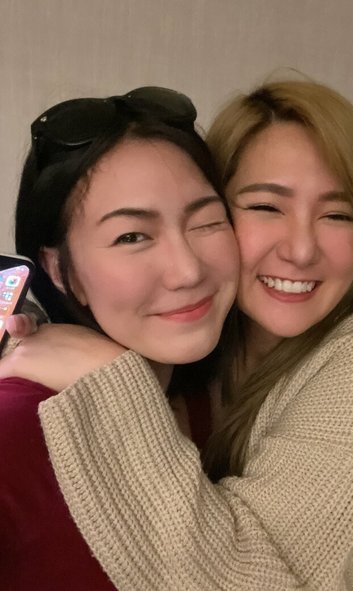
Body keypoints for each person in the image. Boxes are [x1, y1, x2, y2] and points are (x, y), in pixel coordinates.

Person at [1, 80, 353, 590]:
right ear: (59, 269)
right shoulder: (189, 351)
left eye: (339, 214)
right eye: (266, 207)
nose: (301, 251)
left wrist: (107, 374)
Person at [0, 87, 239, 590]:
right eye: (132, 236)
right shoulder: (15, 426)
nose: (187, 270)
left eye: (206, 222)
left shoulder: (209, 397)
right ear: (60, 271)